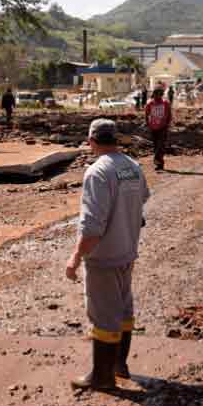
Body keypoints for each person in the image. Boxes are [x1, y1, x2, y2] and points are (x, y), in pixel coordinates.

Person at [67, 118, 150, 390]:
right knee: (123, 309)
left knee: (103, 315)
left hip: (104, 257)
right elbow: (142, 199)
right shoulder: (132, 167)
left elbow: (92, 227)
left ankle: (102, 378)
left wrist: (76, 257)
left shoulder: (97, 172)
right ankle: (119, 366)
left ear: (91, 141)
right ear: (116, 139)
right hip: (127, 252)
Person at [145, 88, 172, 171]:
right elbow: (146, 115)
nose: (158, 96)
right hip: (153, 128)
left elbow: (169, 115)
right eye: (157, 94)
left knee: (160, 145)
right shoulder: (150, 104)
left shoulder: (165, 103)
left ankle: (157, 160)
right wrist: (148, 124)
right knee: (156, 145)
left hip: (163, 127)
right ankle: (160, 164)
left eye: (160, 94)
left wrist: (167, 125)